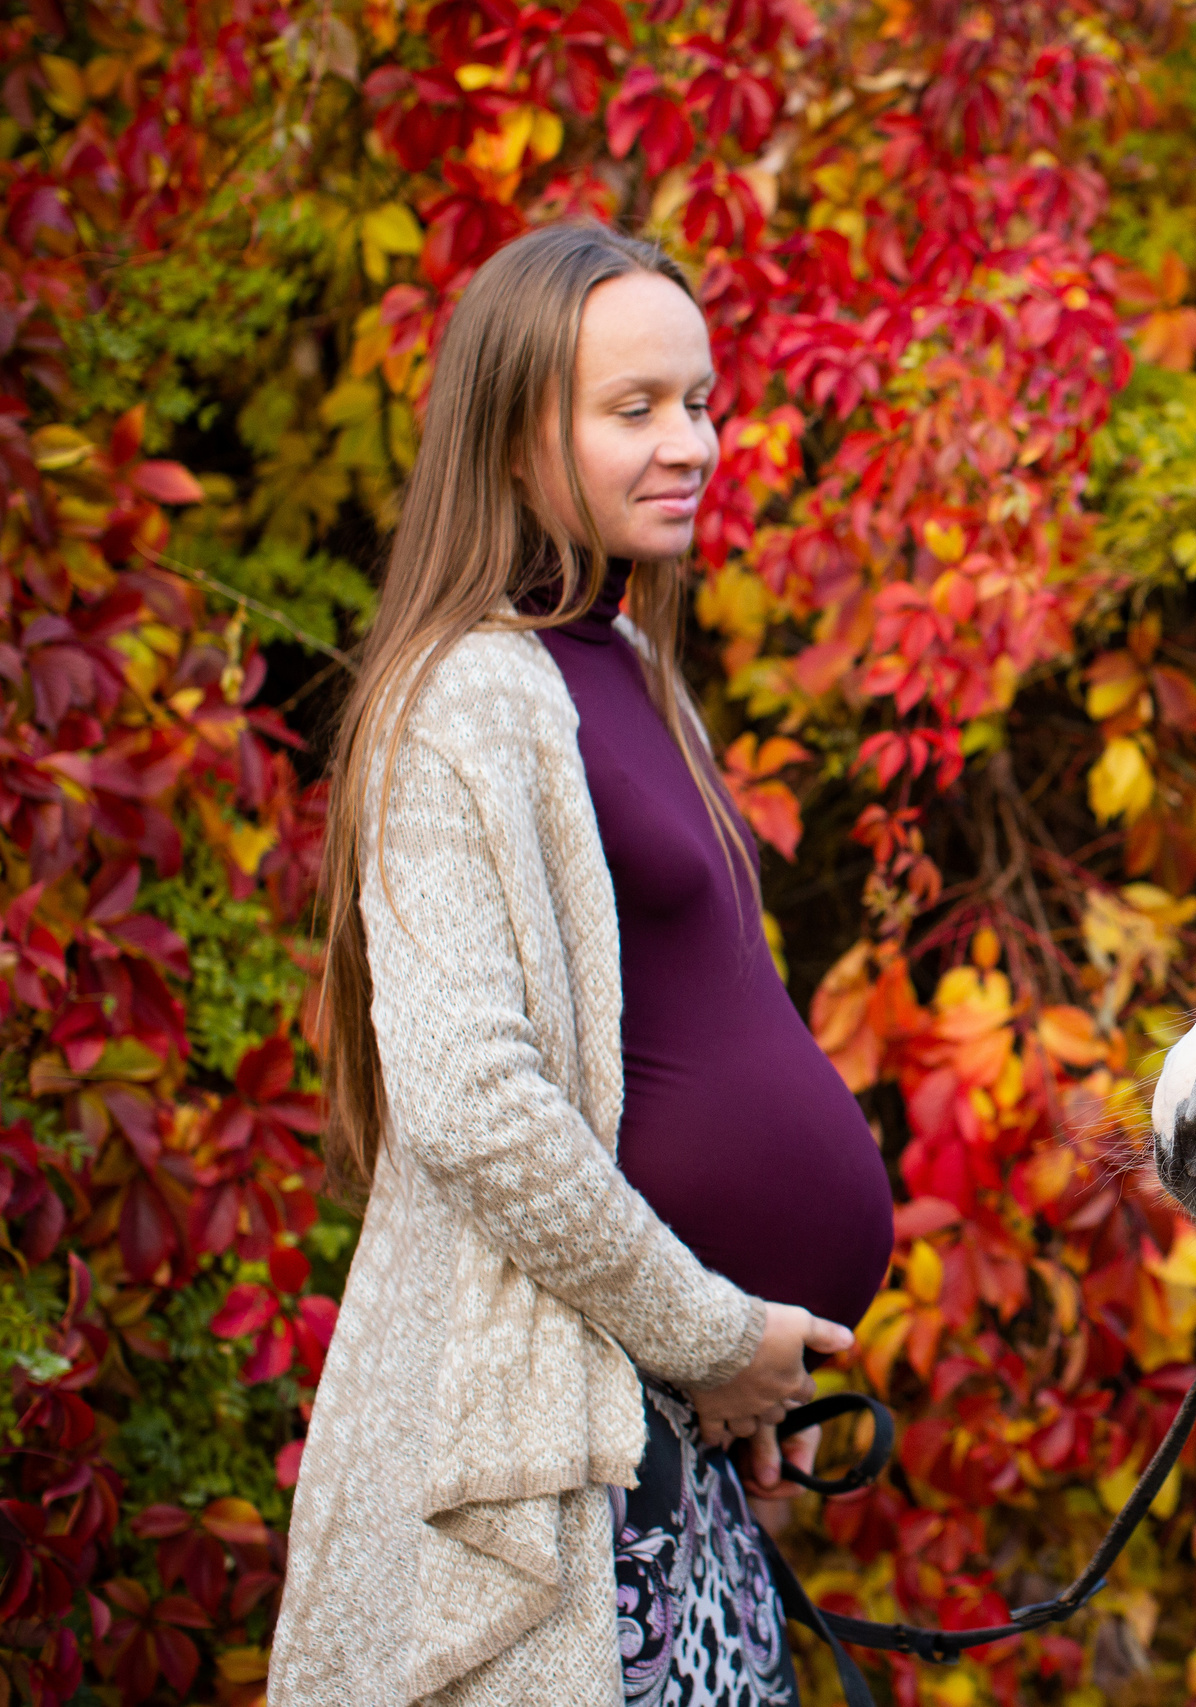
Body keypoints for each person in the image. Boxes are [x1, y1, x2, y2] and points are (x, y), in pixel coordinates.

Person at [271, 222, 895, 1706]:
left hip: (673, 1446)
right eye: (638, 410)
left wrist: (747, 1365)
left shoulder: (625, 665)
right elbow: (470, 1101)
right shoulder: (470, 698)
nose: (691, 442)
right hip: (569, 1473)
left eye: (700, 402)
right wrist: (714, 1332)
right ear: (509, 438)